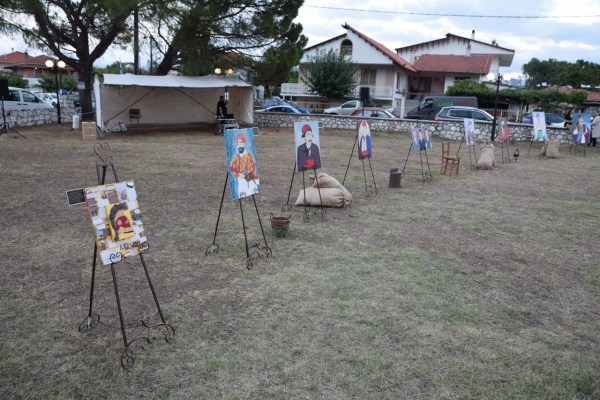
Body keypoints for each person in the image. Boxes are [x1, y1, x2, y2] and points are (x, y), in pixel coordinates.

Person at [229, 132, 259, 197]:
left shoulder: (249, 155)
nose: (239, 144)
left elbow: (253, 168)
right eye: (238, 143)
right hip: (242, 181)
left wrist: (256, 178)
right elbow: (232, 167)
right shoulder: (237, 157)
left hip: (251, 180)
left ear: (244, 143)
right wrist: (238, 175)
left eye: (241, 142)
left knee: (252, 191)